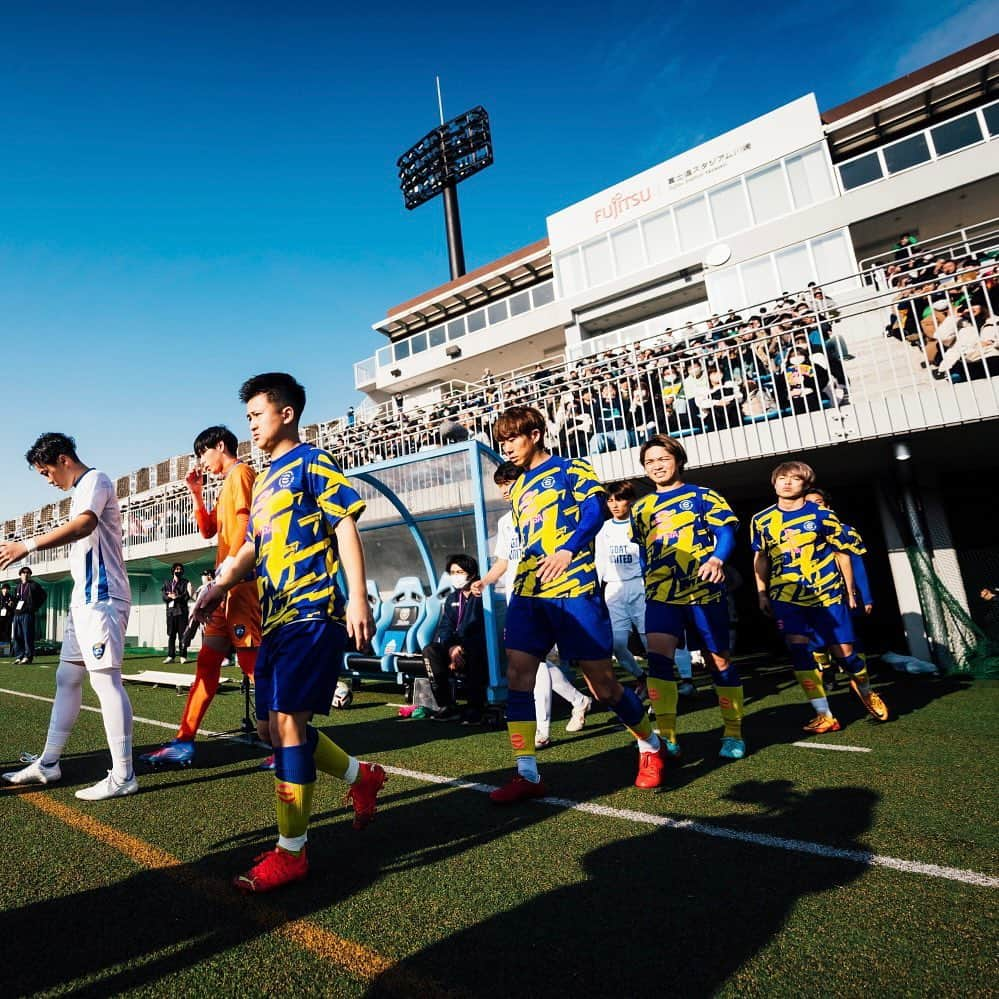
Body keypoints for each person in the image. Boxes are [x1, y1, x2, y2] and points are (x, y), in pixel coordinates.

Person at [190, 372, 384, 892]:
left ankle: (291, 853)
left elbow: (345, 524)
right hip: (273, 619)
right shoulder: (266, 480)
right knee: (271, 731)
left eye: (256, 414)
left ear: (286, 413)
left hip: (311, 611)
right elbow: (250, 549)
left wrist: (358, 598)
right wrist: (216, 586)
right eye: (248, 416)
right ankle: (362, 777)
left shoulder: (312, 461)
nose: (249, 424)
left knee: (289, 727)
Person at [488, 406, 665, 804]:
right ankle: (527, 772)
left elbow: (596, 509)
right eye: (501, 441)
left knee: (602, 686)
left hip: (573, 588)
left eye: (512, 438)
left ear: (534, 434)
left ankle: (650, 745)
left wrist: (569, 549)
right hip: (529, 593)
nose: (507, 447)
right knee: (518, 676)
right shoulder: (517, 487)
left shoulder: (572, 468)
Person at [1, 432, 137, 800]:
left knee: (105, 682)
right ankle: (49, 763)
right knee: (66, 677)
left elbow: (85, 524)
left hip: (103, 598)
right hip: (84, 602)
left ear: (63, 459)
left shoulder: (95, 480)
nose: (48, 481)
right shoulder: (80, 489)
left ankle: (123, 774)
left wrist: (26, 545)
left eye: (46, 472)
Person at [142, 426, 265, 768]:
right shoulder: (225, 483)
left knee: (254, 667)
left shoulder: (241, 473)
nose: (201, 462)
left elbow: (244, 530)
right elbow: (209, 530)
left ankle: (289, 747)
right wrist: (196, 493)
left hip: (240, 587)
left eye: (203, 454)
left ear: (220, 446)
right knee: (207, 664)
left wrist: (226, 577)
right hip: (225, 589)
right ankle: (184, 741)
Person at [751, 460, 889, 734]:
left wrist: (849, 591)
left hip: (826, 594)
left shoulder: (823, 515)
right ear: (774, 483)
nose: (787, 482)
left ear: (806, 484)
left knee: (845, 655)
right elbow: (761, 558)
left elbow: (842, 553)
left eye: (795, 478)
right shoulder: (761, 519)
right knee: (800, 651)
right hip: (787, 595)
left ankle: (864, 688)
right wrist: (762, 592)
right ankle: (824, 714)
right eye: (782, 478)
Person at [631, 435, 745, 762]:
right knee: (658, 660)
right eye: (650, 461)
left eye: (662, 459)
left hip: (702, 591)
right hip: (660, 595)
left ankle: (733, 732)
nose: (657, 466)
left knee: (718, 660)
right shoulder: (641, 507)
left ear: (677, 460)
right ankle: (667, 738)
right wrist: (647, 578)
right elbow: (643, 550)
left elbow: (726, 533)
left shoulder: (702, 496)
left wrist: (716, 560)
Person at [473, 462, 592, 747]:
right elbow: (503, 561)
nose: (504, 491)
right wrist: (485, 581)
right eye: (500, 486)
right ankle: (579, 700)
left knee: (538, 666)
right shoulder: (504, 523)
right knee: (536, 665)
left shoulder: (544, 512)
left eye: (509, 484)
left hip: (548, 598)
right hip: (519, 601)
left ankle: (542, 729)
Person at [595, 481, 648, 698]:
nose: (614, 505)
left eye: (619, 499)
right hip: (614, 589)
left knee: (649, 642)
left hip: (639, 586)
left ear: (630, 501)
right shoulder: (603, 529)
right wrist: (596, 591)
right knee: (617, 644)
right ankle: (641, 678)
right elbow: (599, 560)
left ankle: (659, 691)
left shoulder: (640, 524)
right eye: (610, 500)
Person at [423, 554, 488, 723]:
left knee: (476, 650)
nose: (456, 576)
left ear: (472, 573)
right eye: (452, 572)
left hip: (476, 647)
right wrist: (451, 648)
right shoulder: (452, 597)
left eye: (460, 571)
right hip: (455, 648)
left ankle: (475, 707)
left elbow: (482, 628)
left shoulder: (483, 593)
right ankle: (446, 705)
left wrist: (461, 648)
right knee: (430, 650)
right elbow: (445, 627)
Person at [11, 565, 47, 664]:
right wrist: (13, 604)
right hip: (17, 614)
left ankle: (28, 656)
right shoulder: (18, 586)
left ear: (30, 575)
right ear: (20, 575)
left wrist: (35, 607)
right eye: (23, 573)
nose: (26, 574)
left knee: (27, 636)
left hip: (28, 614)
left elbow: (43, 596)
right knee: (17, 636)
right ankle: (19, 656)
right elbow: (16, 599)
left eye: (28, 573)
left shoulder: (34, 585)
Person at [161, 562, 193, 664]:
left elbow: (187, 596)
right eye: (177, 569)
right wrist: (169, 597)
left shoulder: (185, 582)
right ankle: (171, 656)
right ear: (173, 570)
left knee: (182, 635)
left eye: (180, 569)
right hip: (170, 613)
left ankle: (183, 656)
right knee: (171, 635)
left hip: (181, 612)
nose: (178, 571)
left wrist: (176, 597)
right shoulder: (167, 582)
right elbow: (163, 596)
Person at [0, 582, 15, 653]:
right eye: (4, 589)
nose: (5, 590)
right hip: (0, 618)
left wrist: (10, 605)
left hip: (7, 618)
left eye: (7, 589)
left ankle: (5, 651)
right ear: (2, 589)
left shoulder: (11, 597)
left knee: (7, 634)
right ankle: (1, 650)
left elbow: (13, 607)